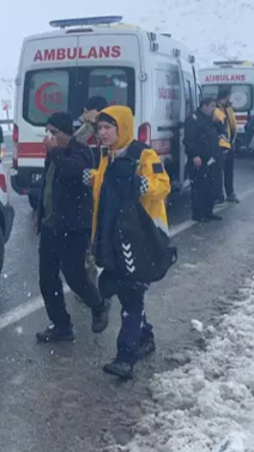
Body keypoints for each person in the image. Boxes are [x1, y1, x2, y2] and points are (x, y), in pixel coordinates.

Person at [83, 105, 171, 379]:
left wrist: (146, 185)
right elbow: (112, 185)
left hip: (140, 236)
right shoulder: (107, 156)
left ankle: (126, 356)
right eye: (100, 128)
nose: (103, 133)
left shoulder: (143, 154)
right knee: (121, 289)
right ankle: (144, 337)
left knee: (132, 295)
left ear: (122, 128)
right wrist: (95, 177)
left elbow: (163, 183)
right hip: (113, 236)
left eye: (109, 128)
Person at [35, 112, 111, 342]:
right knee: (47, 277)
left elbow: (74, 171)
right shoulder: (54, 155)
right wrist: (40, 215)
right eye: (47, 132)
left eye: (54, 132)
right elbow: (47, 185)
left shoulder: (80, 152)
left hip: (73, 225)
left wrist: (55, 151)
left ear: (67, 133)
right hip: (51, 224)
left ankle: (98, 305)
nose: (49, 137)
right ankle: (60, 324)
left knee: (74, 275)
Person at [184, 98, 224, 222]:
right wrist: (194, 155)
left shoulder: (210, 119)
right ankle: (198, 214)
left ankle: (208, 211)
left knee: (210, 186)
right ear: (204, 106)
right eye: (212, 106)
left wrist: (218, 123)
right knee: (199, 187)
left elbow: (220, 132)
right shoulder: (193, 119)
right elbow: (189, 139)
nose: (214, 109)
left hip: (211, 158)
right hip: (199, 159)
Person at [213, 89, 239, 204]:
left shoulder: (228, 108)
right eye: (229, 96)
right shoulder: (216, 110)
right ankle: (219, 195)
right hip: (221, 145)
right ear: (226, 96)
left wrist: (233, 140)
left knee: (229, 171)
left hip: (230, 144)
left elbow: (233, 125)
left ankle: (230, 193)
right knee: (218, 172)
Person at [75, 95, 108, 164]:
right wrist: (89, 124)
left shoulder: (107, 127)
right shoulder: (84, 126)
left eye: (86, 111)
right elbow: (76, 143)